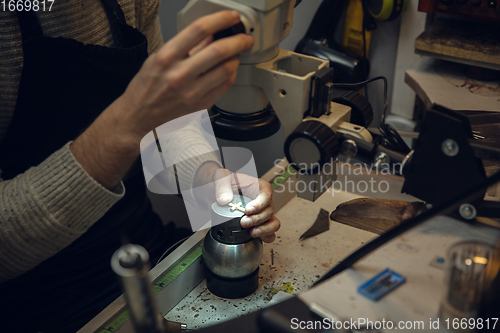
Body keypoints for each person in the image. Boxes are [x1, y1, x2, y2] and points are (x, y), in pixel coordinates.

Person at [0, 1, 281, 332]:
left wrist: (208, 179)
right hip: (35, 301)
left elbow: (166, 124)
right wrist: (125, 127)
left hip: (141, 243)